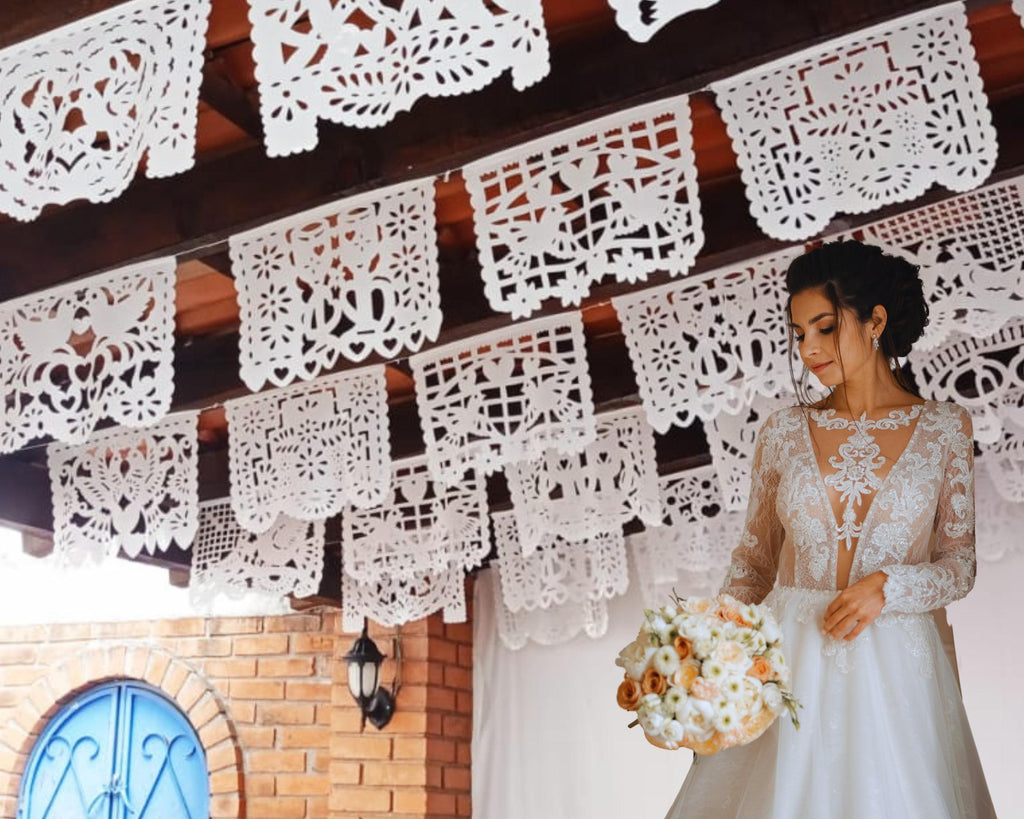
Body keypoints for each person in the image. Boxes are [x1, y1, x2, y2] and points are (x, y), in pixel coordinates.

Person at [664, 240, 996, 818]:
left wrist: (887, 588)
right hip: (788, 663)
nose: (808, 349)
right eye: (798, 334)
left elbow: (958, 565)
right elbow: (753, 564)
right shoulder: (782, 433)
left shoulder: (945, 428)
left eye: (823, 327)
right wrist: (710, 663)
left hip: (895, 666)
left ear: (876, 321)